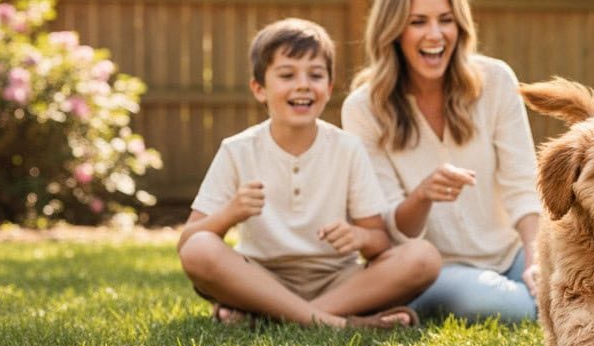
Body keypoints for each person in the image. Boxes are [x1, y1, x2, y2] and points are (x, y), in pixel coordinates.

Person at [178, 18, 440, 330]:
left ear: (328, 89)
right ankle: (344, 324)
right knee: (199, 249)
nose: (303, 84)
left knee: (422, 257)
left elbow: (380, 244)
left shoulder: (347, 149)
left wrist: (359, 237)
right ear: (259, 89)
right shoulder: (238, 149)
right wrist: (230, 213)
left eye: (315, 75)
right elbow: (188, 242)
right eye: (287, 75)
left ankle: (273, 319)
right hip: (260, 279)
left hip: (337, 282)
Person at [342, 0, 543, 323]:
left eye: (445, 19)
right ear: (394, 31)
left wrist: (536, 259)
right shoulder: (363, 108)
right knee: (517, 309)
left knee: (564, 288)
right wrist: (422, 195)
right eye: (418, 21)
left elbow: (523, 184)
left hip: (509, 253)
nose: (435, 34)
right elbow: (388, 228)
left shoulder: (495, 80)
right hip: (435, 271)